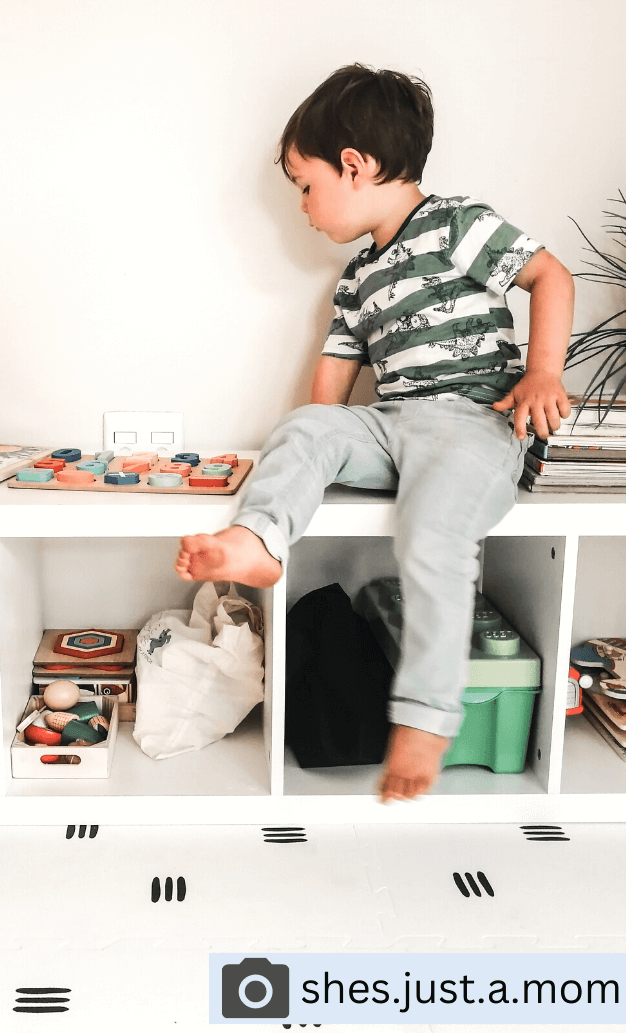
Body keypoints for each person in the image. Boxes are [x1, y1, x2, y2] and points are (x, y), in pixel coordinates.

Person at [176, 65, 574, 801]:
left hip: (473, 425)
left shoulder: (459, 224)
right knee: (305, 425)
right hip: (391, 428)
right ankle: (259, 540)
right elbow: (332, 383)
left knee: (432, 535)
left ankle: (426, 716)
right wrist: (314, 448)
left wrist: (544, 373)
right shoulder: (357, 278)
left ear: (354, 166)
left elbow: (551, 277)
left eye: (305, 185)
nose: (302, 206)